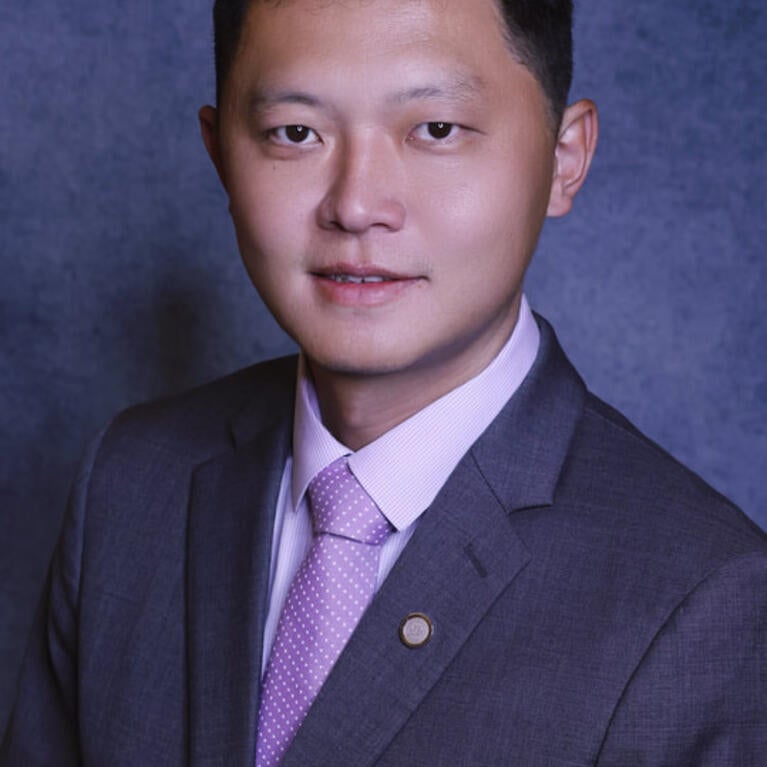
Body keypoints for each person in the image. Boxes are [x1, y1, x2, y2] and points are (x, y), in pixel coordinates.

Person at [2, 0, 766, 764]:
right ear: (219, 155)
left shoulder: (702, 599)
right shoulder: (132, 483)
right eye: (295, 133)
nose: (356, 205)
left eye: (435, 128)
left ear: (564, 157)